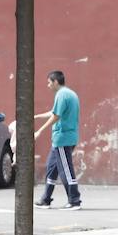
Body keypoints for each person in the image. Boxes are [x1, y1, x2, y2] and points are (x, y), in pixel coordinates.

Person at [34, 70, 82, 210]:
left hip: (63, 138)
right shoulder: (69, 93)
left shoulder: (61, 95)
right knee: (51, 168)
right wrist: (36, 117)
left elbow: (56, 117)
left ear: (55, 82)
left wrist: (39, 131)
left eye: (49, 82)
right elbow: (54, 112)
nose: (48, 85)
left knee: (66, 170)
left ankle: (74, 201)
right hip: (62, 139)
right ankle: (46, 199)